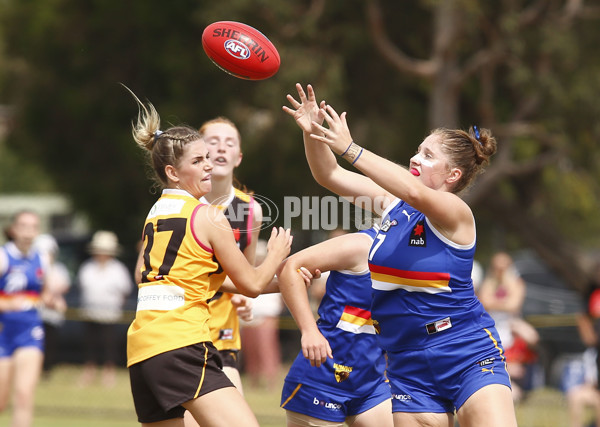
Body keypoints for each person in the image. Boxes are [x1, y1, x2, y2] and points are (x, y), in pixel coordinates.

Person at [283, 83, 517, 426]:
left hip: (465, 350)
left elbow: (412, 190)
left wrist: (350, 148)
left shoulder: (455, 214)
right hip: (408, 361)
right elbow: (329, 174)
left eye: (428, 156)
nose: (414, 158)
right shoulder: (395, 206)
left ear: (453, 175)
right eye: (418, 150)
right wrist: (313, 133)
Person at [126, 94, 292, 427]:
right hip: (181, 343)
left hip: (142, 349)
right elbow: (252, 283)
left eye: (208, 159)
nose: (209, 165)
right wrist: (276, 255)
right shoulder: (210, 217)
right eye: (199, 160)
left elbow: (185, 276)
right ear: (173, 172)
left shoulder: (155, 214)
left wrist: (282, 283)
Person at [278, 226, 393, 427]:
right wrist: (309, 331)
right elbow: (288, 269)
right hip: (322, 380)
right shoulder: (360, 245)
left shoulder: (416, 259)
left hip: (371, 383)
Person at [0, 210, 55, 427]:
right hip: (3, 333)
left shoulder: (42, 258)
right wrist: (6, 304)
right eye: (23, 226)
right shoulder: (4, 256)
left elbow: (46, 293)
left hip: (30, 332)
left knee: (24, 395)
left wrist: (52, 300)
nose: (28, 232)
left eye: (33, 227)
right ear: (13, 229)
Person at [477, 251, 540, 402]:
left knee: (529, 336)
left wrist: (496, 303)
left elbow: (514, 305)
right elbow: (484, 302)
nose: (500, 270)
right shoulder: (489, 282)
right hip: (492, 325)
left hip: (510, 326)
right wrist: (503, 303)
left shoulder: (516, 282)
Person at [77, 230, 134, 388]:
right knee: (90, 347)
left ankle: (109, 375)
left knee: (109, 347)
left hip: (110, 315)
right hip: (89, 314)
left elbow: (125, 290)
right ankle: (89, 373)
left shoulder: (118, 269)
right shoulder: (87, 267)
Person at [239, 239, 284, 391]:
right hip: (248, 316)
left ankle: (271, 381)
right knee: (251, 351)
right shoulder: (246, 272)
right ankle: (254, 382)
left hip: (266, 315)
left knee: (267, 350)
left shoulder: (271, 271)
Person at [33, 233, 71, 376]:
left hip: (53, 316)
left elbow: (63, 286)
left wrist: (51, 295)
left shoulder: (58, 269)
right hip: (37, 315)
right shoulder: (35, 269)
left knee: (50, 345)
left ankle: (46, 370)